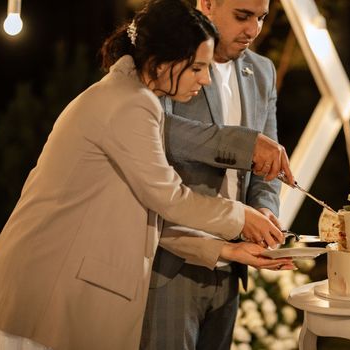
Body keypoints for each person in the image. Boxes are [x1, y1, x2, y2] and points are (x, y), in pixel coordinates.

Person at [0, 1, 291, 349]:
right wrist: (241, 218)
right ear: (162, 62)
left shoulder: (130, 94)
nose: (205, 79)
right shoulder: (132, 102)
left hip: (57, 289)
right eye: (196, 68)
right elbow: (170, 198)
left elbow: (152, 211)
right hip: (48, 287)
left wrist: (227, 251)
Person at [141, 1, 292, 349]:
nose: (253, 30)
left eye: (261, 18)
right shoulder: (170, 61)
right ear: (207, 3)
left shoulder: (263, 71)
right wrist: (245, 145)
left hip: (233, 269)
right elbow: (157, 131)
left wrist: (266, 211)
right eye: (243, 16)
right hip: (171, 263)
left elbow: (266, 169)